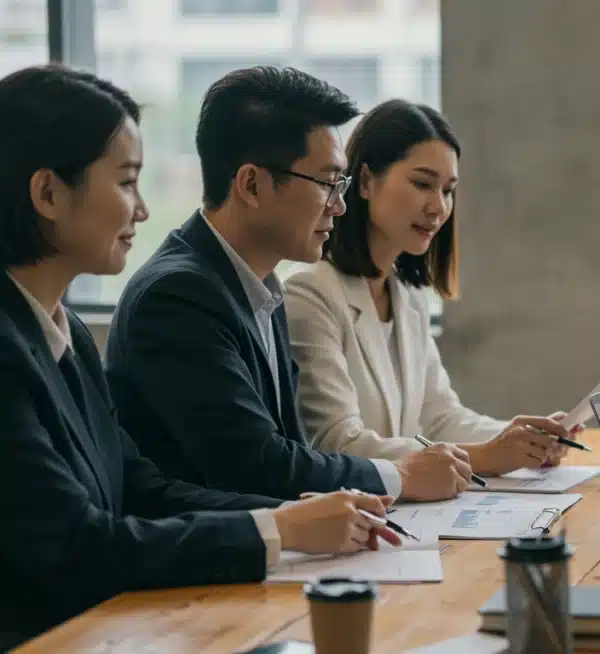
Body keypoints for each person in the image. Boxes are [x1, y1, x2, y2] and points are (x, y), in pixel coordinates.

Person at [0, 65, 400, 650]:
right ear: (48, 194)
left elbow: (141, 488)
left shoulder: (68, 334)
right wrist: (277, 528)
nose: (142, 210)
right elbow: (78, 548)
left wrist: (292, 520)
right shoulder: (18, 346)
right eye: (126, 183)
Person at [105, 66, 472, 502]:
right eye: (327, 183)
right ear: (252, 185)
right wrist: (400, 476)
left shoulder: (260, 288)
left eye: (341, 184)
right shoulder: (178, 297)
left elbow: (289, 453)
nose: (339, 206)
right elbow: (257, 466)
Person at [283, 99, 579, 473]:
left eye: (448, 190)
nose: (438, 207)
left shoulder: (407, 297)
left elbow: (441, 418)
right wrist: (486, 456)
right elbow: (337, 443)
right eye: (423, 184)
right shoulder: (310, 295)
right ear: (366, 181)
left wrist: (525, 440)